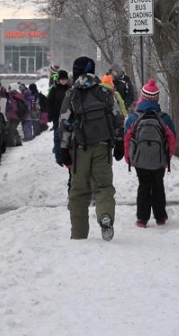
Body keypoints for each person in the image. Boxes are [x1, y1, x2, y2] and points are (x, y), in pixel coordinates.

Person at [58, 57, 125, 241]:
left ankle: (79, 235)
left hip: (80, 149)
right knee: (103, 186)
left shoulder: (72, 94)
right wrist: (119, 143)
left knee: (78, 193)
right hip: (103, 146)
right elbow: (118, 117)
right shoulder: (105, 91)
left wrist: (64, 150)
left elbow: (64, 123)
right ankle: (105, 215)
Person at [124, 79, 177, 228]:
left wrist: (130, 159)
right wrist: (167, 158)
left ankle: (142, 218)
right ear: (157, 98)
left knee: (143, 186)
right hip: (159, 160)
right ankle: (160, 217)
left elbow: (127, 140)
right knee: (158, 186)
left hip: (140, 160)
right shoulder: (164, 118)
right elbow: (172, 139)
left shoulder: (134, 118)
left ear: (143, 97)